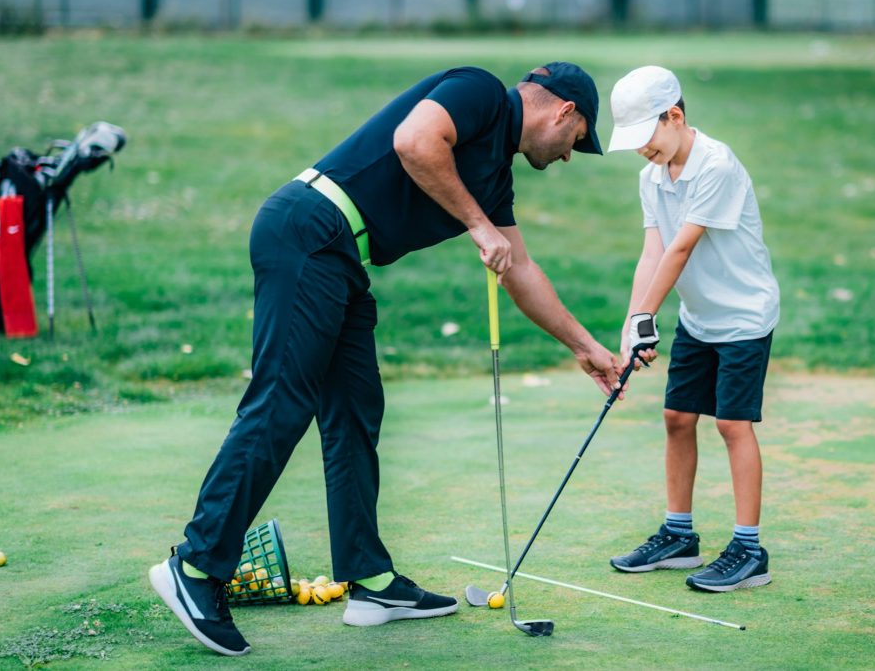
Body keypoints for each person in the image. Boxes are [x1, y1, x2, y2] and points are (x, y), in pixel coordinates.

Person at [149, 62, 623, 656]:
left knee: (354, 411)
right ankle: (195, 567)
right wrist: (477, 226)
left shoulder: (495, 176)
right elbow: (415, 140)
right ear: (564, 112)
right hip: (308, 229)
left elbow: (520, 270)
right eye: (577, 141)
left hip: (340, 257)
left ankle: (370, 582)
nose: (569, 155)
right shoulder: (479, 91)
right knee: (283, 402)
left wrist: (586, 348)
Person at [606, 66, 779, 593]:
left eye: (646, 139)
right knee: (678, 416)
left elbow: (682, 248)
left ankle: (750, 548)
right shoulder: (651, 177)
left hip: (744, 316)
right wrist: (633, 322)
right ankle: (679, 535)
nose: (641, 151)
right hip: (699, 317)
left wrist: (646, 315)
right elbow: (653, 250)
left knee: (731, 425)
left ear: (674, 117)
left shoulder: (715, 166)